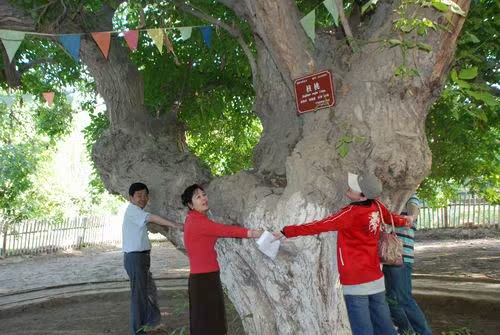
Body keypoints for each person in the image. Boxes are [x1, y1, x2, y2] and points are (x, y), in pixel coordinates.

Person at [275, 172, 412, 335]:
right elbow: (392, 219)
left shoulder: (350, 213)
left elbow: (320, 225)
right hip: (375, 275)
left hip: (355, 279)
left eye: (353, 187)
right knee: (384, 324)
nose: (348, 187)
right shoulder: (377, 206)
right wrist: (406, 220)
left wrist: (287, 231)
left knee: (362, 329)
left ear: (362, 195)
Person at [181, 184, 262, 335]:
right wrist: (252, 233)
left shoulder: (193, 219)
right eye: (198, 197)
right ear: (190, 205)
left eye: (204, 194)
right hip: (204, 280)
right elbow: (225, 230)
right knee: (209, 324)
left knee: (208, 322)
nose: (203, 198)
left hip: (205, 278)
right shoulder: (197, 221)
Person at [123, 182, 183, 335]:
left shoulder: (136, 211)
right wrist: (175, 224)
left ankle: (152, 322)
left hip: (141, 258)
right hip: (135, 259)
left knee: (150, 290)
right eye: (139, 196)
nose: (143, 198)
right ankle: (138, 330)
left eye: (145, 195)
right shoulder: (133, 211)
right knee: (139, 295)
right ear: (131, 198)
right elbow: (152, 218)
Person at [383, 194, 432, 335]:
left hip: (401, 257)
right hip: (386, 256)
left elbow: (413, 208)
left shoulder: (410, 196)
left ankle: (425, 332)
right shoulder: (391, 198)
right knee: (389, 298)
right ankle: (406, 331)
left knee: (404, 299)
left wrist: (410, 217)